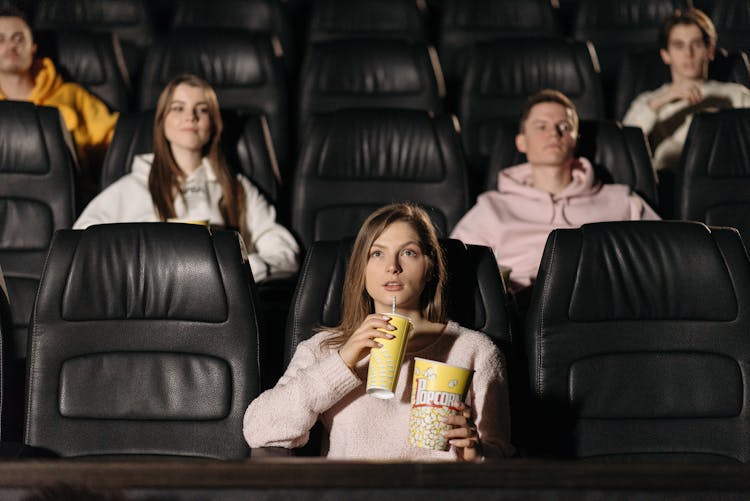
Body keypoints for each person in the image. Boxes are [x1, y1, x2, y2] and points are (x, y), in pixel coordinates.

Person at [244, 203, 514, 461]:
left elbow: (500, 456)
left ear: (430, 267)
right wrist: (343, 361)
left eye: (409, 252)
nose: (392, 267)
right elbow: (259, 430)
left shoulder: (474, 350)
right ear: (361, 270)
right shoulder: (325, 348)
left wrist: (476, 453)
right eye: (377, 253)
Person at [74, 74, 299, 283]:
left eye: (202, 110)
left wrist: (236, 269)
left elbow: (285, 255)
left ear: (213, 125)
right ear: (162, 121)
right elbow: (79, 246)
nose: (190, 117)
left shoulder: (236, 188)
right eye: (178, 108)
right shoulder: (131, 187)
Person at [452, 89, 660, 292]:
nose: (553, 133)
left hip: (600, 303)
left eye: (564, 126)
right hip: (520, 306)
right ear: (521, 142)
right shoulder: (492, 207)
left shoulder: (622, 200)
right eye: (541, 126)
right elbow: (453, 266)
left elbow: (665, 257)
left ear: (575, 139)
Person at [0, 7, 119, 193]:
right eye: (0, 40)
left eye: (18, 38)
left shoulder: (71, 95)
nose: (10, 46)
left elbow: (115, 140)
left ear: (33, 49)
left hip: (70, 198)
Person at [623, 8, 750, 172]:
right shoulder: (649, 100)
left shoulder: (736, 95)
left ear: (710, 51)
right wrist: (663, 99)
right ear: (665, 54)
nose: (688, 53)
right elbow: (625, 144)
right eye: (679, 45)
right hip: (668, 181)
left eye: (696, 44)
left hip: (725, 177)